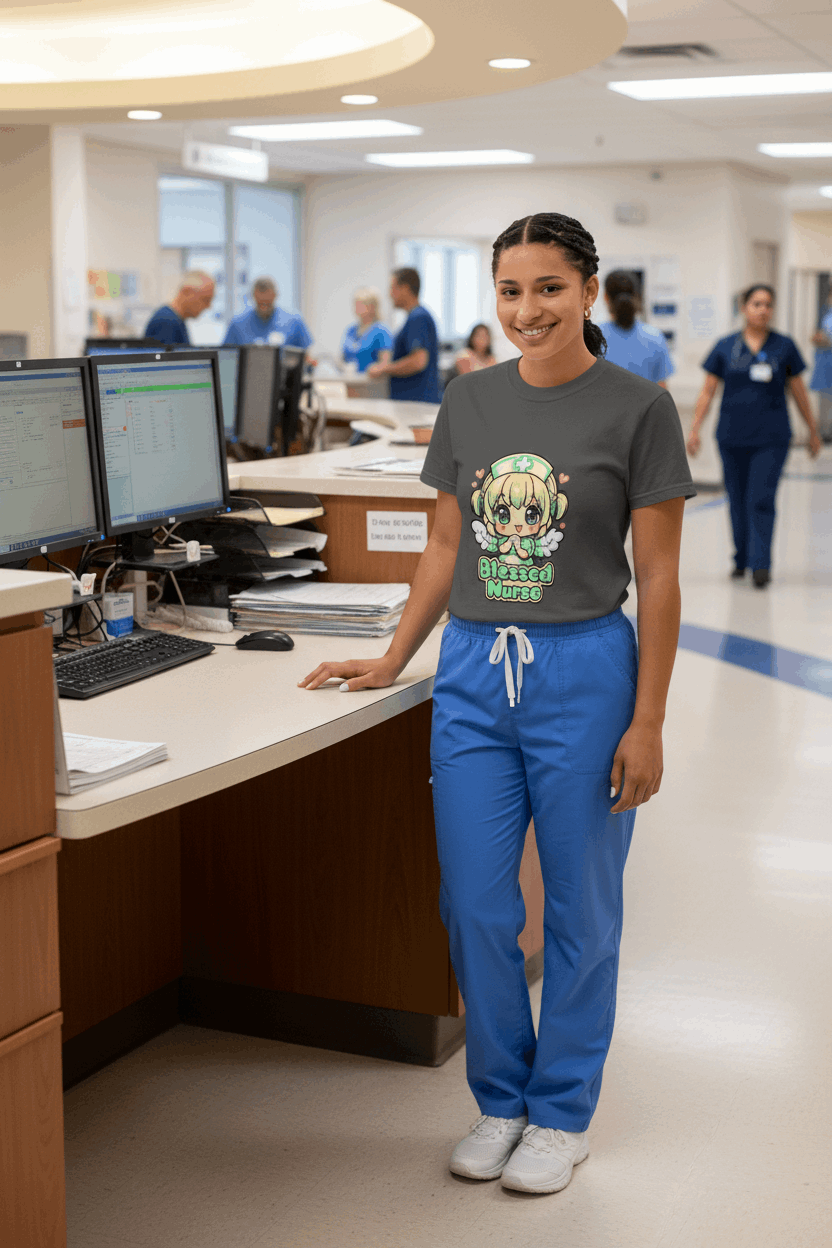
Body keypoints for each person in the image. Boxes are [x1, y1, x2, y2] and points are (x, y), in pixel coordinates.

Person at [300, 212, 695, 1196]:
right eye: (511, 291)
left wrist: (646, 720)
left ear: (587, 293)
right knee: (474, 903)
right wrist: (396, 657)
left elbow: (659, 578)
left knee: (578, 910)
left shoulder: (639, 407)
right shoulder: (467, 403)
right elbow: (442, 548)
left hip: (585, 670)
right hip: (475, 675)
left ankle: (560, 1114)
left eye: (549, 288)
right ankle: (499, 1101)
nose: (528, 310)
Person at [687, 284, 821, 588]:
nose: (763, 310)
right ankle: (741, 557)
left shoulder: (784, 346)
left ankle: (761, 564)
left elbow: (799, 391)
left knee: (761, 498)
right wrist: (695, 429)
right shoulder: (725, 346)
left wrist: (812, 430)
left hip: (772, 438)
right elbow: (708, 390)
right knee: (736, 499)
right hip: (731, 436)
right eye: (757, 303)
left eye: (768, 305)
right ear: (744, 308)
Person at [367, 268, 440, 402]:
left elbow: (418, 361)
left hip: (417, 402)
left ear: (405, 288)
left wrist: (383, 368)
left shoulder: (418, 318)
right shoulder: (415, 317)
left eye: (392, 288)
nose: (389, 294)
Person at [598, 271, 673, 386]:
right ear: (637, 296)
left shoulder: (593, 337)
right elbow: (662, 390)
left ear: (605, 297)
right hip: (648, 404)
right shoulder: (655, 337)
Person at [223, 277, 312, 349]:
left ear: (275, 296)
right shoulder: (237, 324)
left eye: (267, 303)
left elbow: (306, 356)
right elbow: (226, 357)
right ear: (253, 296)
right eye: (260, 304)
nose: (264, 308)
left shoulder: (294, 321)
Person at [144, 271, 215, 345]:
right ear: (186, 291)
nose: (208, 306)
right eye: (205, 299)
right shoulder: (167, 321)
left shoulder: (176, 319)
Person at [340, 288, 393, 372]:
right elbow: (342, 357)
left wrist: (375, 369)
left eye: (361, 304)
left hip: (371, 382)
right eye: (355, 304)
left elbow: (385, 362)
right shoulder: (351, 330)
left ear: (372, 307)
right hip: (350, 381)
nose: (356, 308)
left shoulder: (381, 331)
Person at [809, 290, 832, 443]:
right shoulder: (826, 314)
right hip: (825, 363)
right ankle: (823, 432)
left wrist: (826, 341)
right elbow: (817, 336)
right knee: (825, 401)